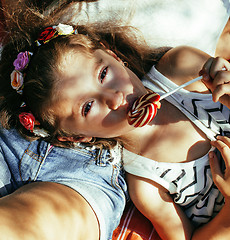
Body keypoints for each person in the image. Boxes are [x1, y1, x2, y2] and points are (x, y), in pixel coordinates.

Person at [1, 5, 230, 240]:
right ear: (77, 137)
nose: (114, 97)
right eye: (88, 107)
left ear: (113, 56)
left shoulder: (183, 67)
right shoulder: (146, 185)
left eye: (103, 74)